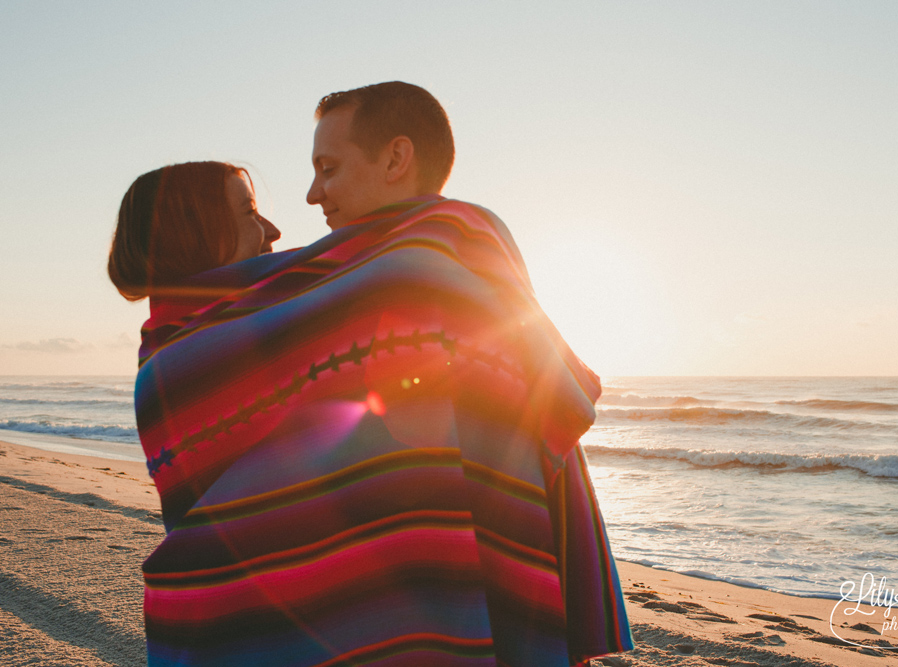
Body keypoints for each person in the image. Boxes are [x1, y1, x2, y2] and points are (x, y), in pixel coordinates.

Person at [121, 83, 632, 667]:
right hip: (278, 601)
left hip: (336, 595)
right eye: (247, 212)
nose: (279, 226)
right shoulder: (201, 349)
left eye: (327, 169)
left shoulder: (266, 314)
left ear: (394, 158)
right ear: (194, 231)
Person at [108, 161, 281, 300]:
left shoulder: (170, 340)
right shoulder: (274, 333)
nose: (274, 231)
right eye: (250, 211)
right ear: (188, 239)